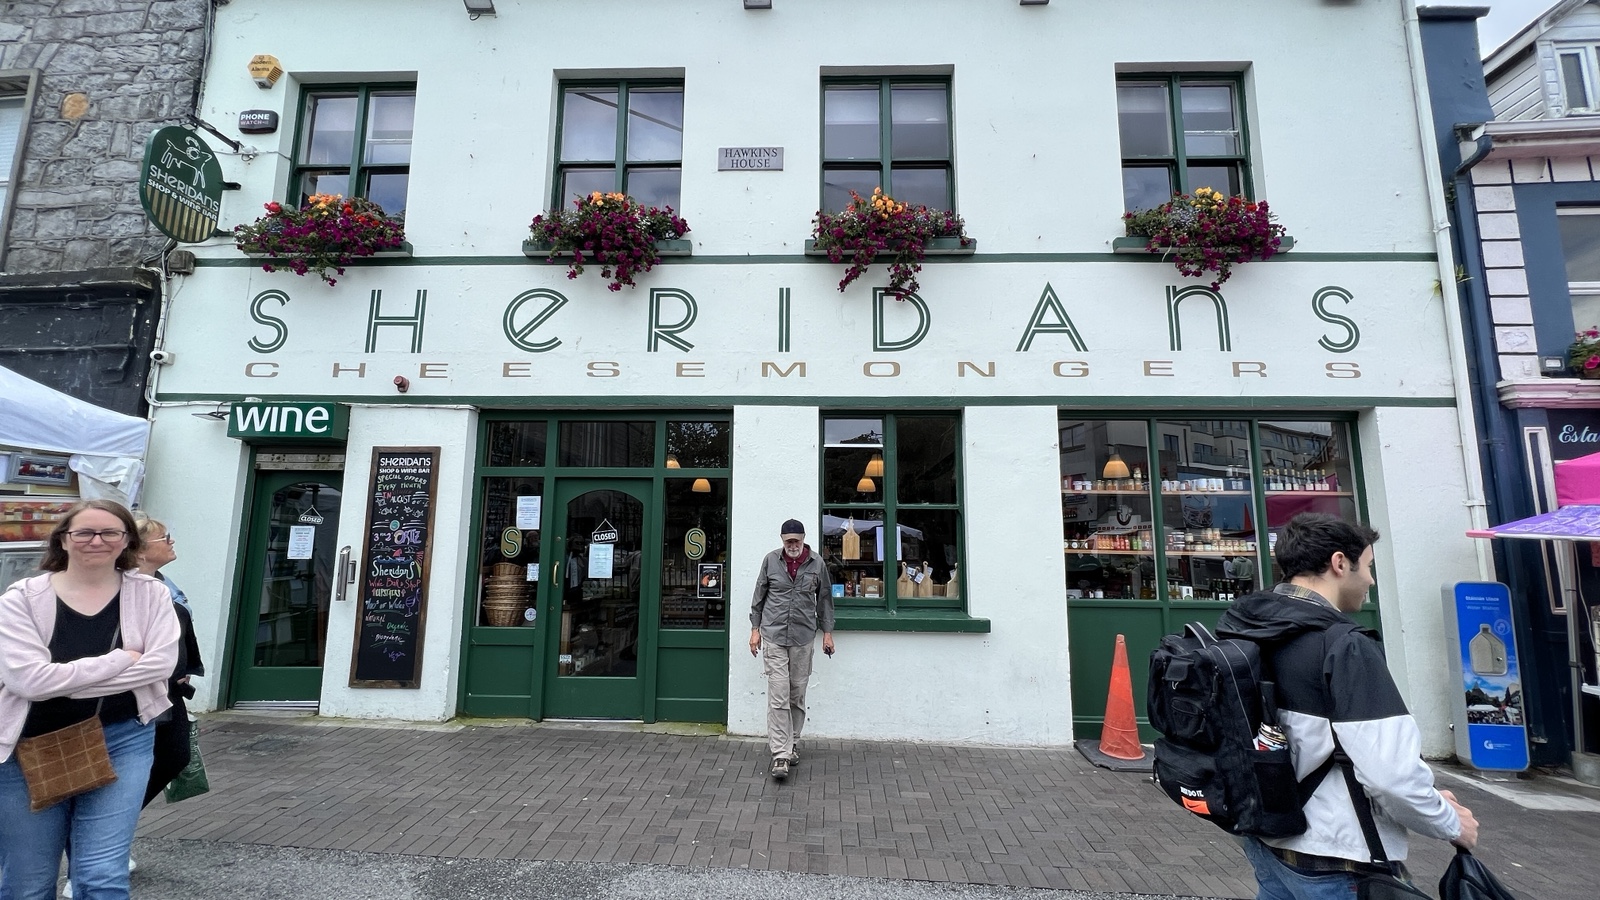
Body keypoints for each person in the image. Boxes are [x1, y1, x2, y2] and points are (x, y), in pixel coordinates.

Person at [1215, 513, 1479, 899]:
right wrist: (1450, 822)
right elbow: (1392, 777)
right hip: (1337, 860)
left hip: (1267, 844)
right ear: (1340, 563)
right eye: (1368, 566)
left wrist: (1432, 800)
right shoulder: (1346, 647)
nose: (1371, 580)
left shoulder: (1244, 627)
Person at [0, 499, 181, 900]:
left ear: (127, 541)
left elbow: (159, 665)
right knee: (27, 883)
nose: (96, 541)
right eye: (84, 532)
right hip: (29, 746)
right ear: (63, 540)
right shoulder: (20, 599)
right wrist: (118, 660)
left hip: (122, 739)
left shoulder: (151, 594)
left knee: (102, 875)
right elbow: (29, 681)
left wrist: (61, 681)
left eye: (110, 532)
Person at [749, 518, 834, 781]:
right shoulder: (770, 561)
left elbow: (825, 600)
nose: (793, 545)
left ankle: (793, 742)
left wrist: (827, 633)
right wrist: (755, 630)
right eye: (788, 541)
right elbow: (758, 596)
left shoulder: (817, 564)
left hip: (803, 637)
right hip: (773, 636)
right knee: (778, 695)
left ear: (804, 538)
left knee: (796, 694)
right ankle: (780, 754)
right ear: (782, 540)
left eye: (797, 540)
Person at [134, 513, 204, 808]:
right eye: (163, 538)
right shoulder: (132, 590)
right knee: (167, 756)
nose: (171, 541)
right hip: (147, 688)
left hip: (172, 686)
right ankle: (115, 820)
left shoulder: (163, 583)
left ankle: (119, 819)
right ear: (140, 550)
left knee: (175, 756)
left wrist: (185, 667)